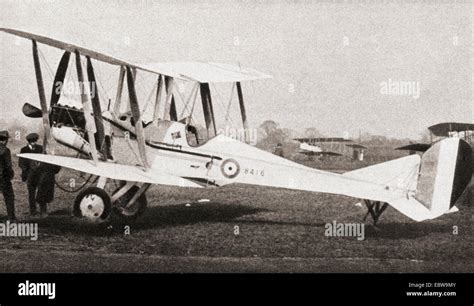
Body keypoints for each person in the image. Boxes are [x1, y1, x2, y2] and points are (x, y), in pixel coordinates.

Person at [19, 133, 60, 217]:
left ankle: (43, 211)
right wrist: (26, 169)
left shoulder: (40, 148)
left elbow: (44, 159)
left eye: (35, 141)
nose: (34, 143)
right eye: (32, 142)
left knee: (42, 192)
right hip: (30, 175)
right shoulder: (24, 150)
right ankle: (33, 211)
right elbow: (21, 162)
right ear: (29, 142)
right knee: (31, 193)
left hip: (39, 175)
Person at [0, 130, 16, 221]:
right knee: (9, 197)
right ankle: (11, 218)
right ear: (5, 140)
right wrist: (10, 175)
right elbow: (8, 166)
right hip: (3, 178)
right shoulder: (5, 150)